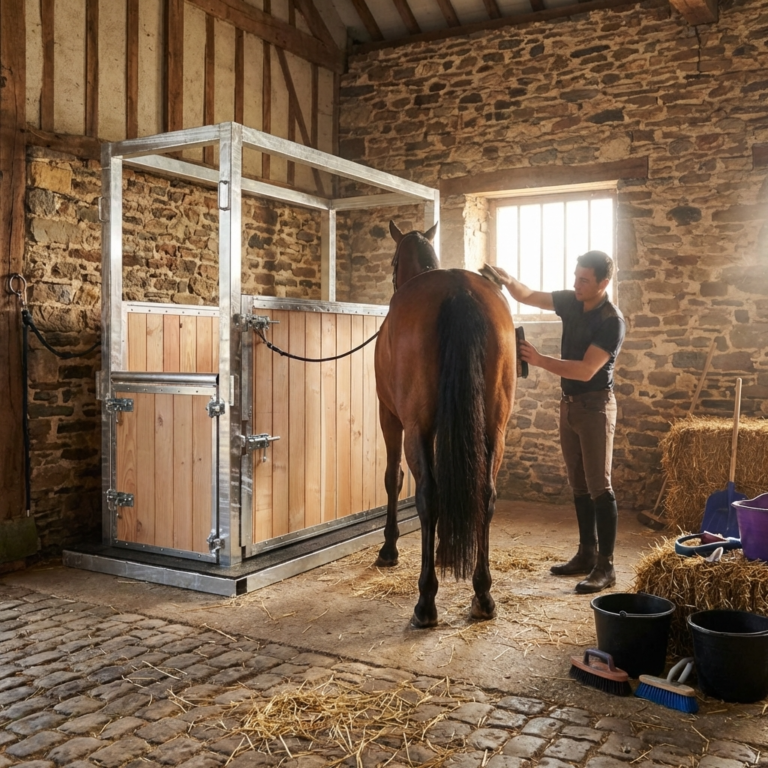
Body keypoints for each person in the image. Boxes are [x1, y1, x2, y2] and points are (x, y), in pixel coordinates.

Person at [486, 252, 625, 594]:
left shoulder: (611, 320)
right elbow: (529, 295)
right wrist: (508, 280)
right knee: (578, 485)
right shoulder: (572, 300)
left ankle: (606, 567)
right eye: (575, 277)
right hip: (570, 406)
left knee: (599, 487)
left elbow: (585, 369)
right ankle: (586, 553)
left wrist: (539, 359)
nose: (576, 285)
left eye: (584, 280)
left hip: (595, 407)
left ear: (603, 283)